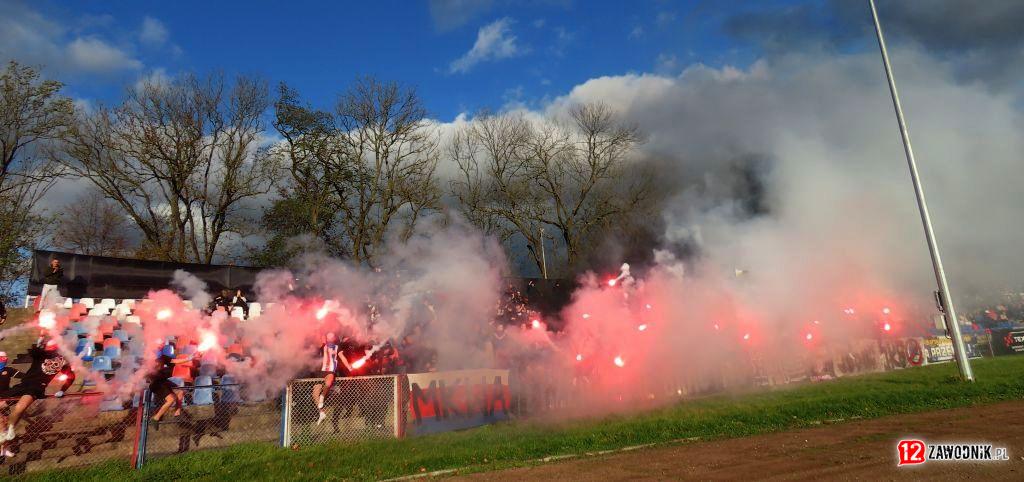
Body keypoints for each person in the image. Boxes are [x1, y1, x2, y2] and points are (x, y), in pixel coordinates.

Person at [0, 338, 75, 443]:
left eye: (52, 346)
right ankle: (4, 431)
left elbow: (71, 377)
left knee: (20, 407)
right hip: (23, 384)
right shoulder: (40, 354)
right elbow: (34, 351)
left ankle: (9, 430)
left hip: (37, 387)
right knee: (2, 404)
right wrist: (40, 342)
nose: (50, 347)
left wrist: (62, 390)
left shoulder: (62, 361)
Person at [312, 332, 352, 425]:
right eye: (328, 336)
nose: (329, 338)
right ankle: (321, 413)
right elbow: (319, 337)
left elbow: (342, 357)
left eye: (331, 336)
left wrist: (348, 366)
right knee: (315, 393)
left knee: (328, 383)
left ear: (334, 338)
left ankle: (322, 397)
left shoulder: (337, 347)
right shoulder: (323, 346)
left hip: (330, 370)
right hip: (320, 371)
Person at [148, 347, 190, 428]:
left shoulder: (163, 357)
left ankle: (177, 413)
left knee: (180, 392)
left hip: (163, 381)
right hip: (156, 384)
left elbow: (175, 361)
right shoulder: (149, 362)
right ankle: (155, 418)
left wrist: (189, 358)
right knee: (171, 399)